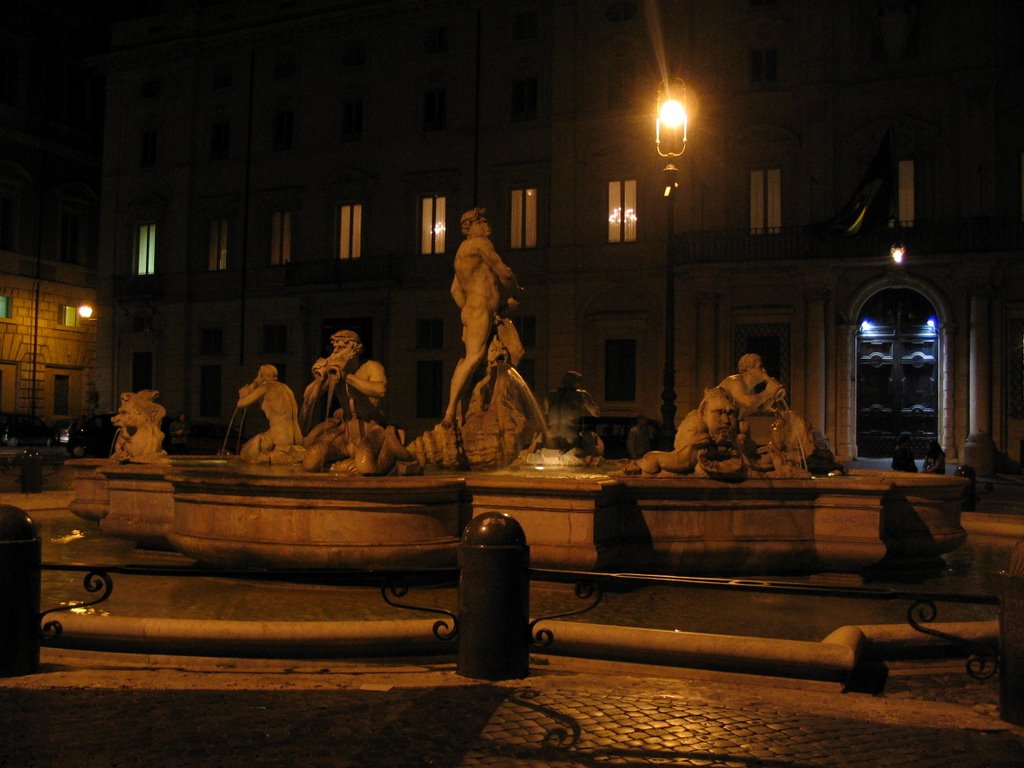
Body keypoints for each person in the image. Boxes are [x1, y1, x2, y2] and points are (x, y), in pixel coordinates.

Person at [443, 208, 523, 428]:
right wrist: (516, 291)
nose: (488, 226)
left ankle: (483, 404)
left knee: (509, 353)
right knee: (474, 357)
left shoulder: (461, 253)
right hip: (481, 309)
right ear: (472, 225)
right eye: (483, 221)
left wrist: (473, 307)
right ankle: (451, 411)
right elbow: (503, 271)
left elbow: (454, 291)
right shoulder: (480, 243)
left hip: (477, 309)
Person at [627, 387, 756, 477]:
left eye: (730, 413)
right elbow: (692, 451)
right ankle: (635, 463)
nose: (726, 420)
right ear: (704, 410)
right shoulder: (696, 422)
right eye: (719, 412)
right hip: (673, 460)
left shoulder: (728, 425)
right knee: (652, 466)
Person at [300, 329, 386, 432]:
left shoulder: (372, 367)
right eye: (335, 348)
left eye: (341, 347)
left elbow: (381, 390)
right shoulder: (336, 372)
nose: (336, 352)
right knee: (314, 442)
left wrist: (347, 377)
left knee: (365, 448)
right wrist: (321, 379)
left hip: (373, 427)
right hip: (347, 427)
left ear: (355, 350)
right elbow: (308, 396)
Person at [236, 365, 304, 465]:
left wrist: (255, 383)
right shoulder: (287, 388)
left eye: (258, 374)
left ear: (262, 376)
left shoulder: (266, 387)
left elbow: (241, 403)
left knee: (246, 453)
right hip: (297, 436)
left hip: (280, 436)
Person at [545, 371, 600, 454]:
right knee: (590, 435)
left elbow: (545, 412)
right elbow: (596, 413)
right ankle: (595, 457)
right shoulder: (581, 395)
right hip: (570, 439)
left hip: (551, 439)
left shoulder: (551, 395)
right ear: (577, 382)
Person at [717, 353, 786, 420]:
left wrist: (773, 396)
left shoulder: (750, 389)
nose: (764, 370)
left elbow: (761, 408)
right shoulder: (735, 381)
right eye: (760, 367)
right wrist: (768, 392)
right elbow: (747, 402)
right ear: (749, 369)